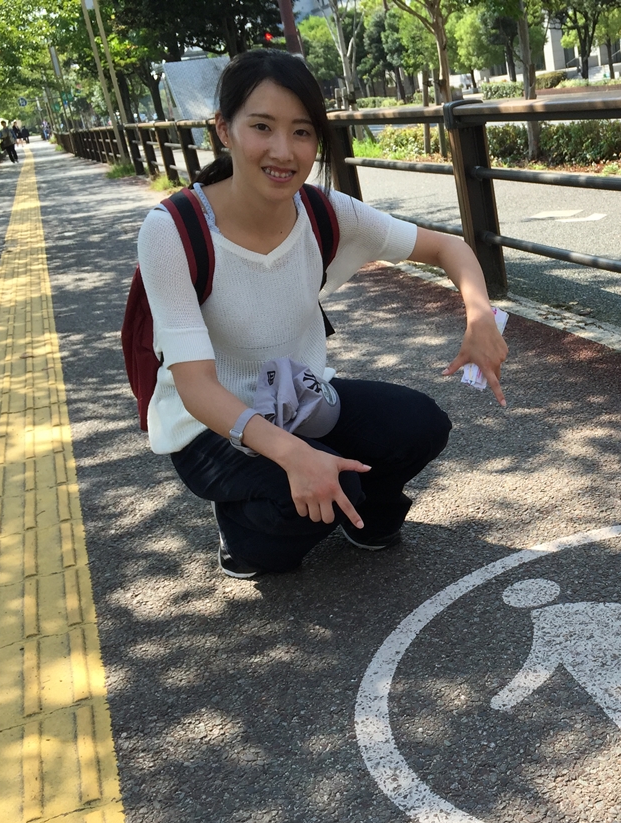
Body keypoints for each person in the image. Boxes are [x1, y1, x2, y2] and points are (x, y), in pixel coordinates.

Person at [136, 49, 507, 578]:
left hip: (298, 401)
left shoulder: (322, 210)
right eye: (261, 126)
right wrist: (292, 455)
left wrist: (480, 316)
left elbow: (449, 248)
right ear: (223, 129)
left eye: (302, 132)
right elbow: (194, 386)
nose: (283, 151)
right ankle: (241, 538)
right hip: (209, 425)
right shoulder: (175, 230)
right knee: (304, 510)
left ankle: (360, 514)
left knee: (421, 425)